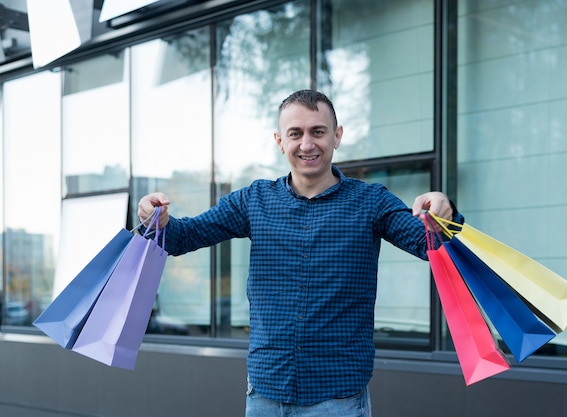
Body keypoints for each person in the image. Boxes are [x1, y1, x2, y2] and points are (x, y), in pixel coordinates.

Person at [137, 89, 462, 417]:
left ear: (337, 137)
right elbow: (182, 237)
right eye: (296, 133)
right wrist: (159, 221)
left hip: (337, 400)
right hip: (265, 394)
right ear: (280, 141)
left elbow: (430, 244)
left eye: (318, 131)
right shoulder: (254, 201)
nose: (307, 144)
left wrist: (443, 213)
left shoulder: (371, 202)